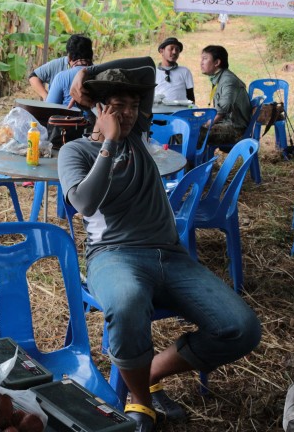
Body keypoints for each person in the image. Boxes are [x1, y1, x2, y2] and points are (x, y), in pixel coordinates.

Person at [59, 59, 261, 432]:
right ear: (99, 109)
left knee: (241, 328)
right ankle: (142, 400)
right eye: (117, 105)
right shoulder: (76, 153)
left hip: (170, 255)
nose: (128, 113)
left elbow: (148, 67)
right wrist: (109, 144)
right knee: (127, 302)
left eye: (133, 106)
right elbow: (85, 203)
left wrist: (87, 73)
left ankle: (144, 374)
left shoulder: (138, 133)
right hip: (113, 255)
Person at [200, 45, 252, 147]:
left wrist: (205, 125)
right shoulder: (220, 77)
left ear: (217, 62)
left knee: (194, 134)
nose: (201, 62)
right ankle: (198, 161)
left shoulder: (228, 80)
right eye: (201, 59)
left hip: (235, 129)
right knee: (187, 129)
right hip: (225, 123)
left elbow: (222, 111)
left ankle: (195, 162)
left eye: (205, 59)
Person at [29, 34, 93, 100]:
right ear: (69, 58)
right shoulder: (57, 67)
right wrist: (46, 96)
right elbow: (33, 77)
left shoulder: (95, 71)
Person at [45, 35, 94, 106]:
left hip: (70, 116)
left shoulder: (61, 78)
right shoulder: (103, 73)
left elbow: (49, 108)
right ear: (91, 55)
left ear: (69, 57)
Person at [154, 37, 195, 103]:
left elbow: (190, 96)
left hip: (181, 111)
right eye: (171, 49)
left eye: (177, 49)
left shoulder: (185, 71)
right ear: (162, 51)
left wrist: (191, 111)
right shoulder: (153, 72)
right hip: (160, 111)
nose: (174, 52)